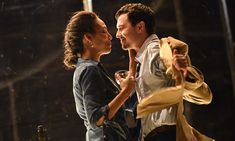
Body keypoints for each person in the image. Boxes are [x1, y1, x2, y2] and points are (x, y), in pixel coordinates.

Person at [115, 3, 213, 141]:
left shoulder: (157, 53)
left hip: (164, 135)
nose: (117, 34)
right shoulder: (141, 60)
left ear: (140, 27)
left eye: (121, 28)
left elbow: (205, 95)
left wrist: (185, 73)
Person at [63, 11, 136, 141]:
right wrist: (125, 92)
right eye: (103, 32)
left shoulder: (88, 69)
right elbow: (96, 118)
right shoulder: (89, 70)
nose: (110, 36)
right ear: (88, 38)